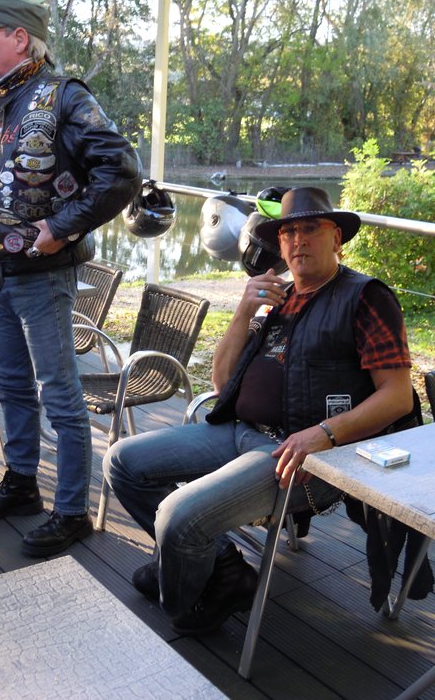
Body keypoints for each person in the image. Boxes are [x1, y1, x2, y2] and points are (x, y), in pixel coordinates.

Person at [104, 186, 418, 635]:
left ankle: (187, 590)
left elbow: (397, 396)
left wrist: (323, 434)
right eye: (288, 233)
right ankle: (220, 566)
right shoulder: (280, 299)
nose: (298, 240)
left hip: (299, 456)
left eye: (311, 229)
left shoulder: (364, 297)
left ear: (336, 239)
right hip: (238, 430)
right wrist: (243, 311)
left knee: (177, 516)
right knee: (122, 461)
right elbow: (221, 383)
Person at [0, 0, 141, 557]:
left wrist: (60, 228)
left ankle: (72, 511)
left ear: (19, 37)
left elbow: (120, 172)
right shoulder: (4, 97)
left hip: (40, 275)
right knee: (10, 382)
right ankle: (21, 484)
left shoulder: (65, 95)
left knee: (58, 391)